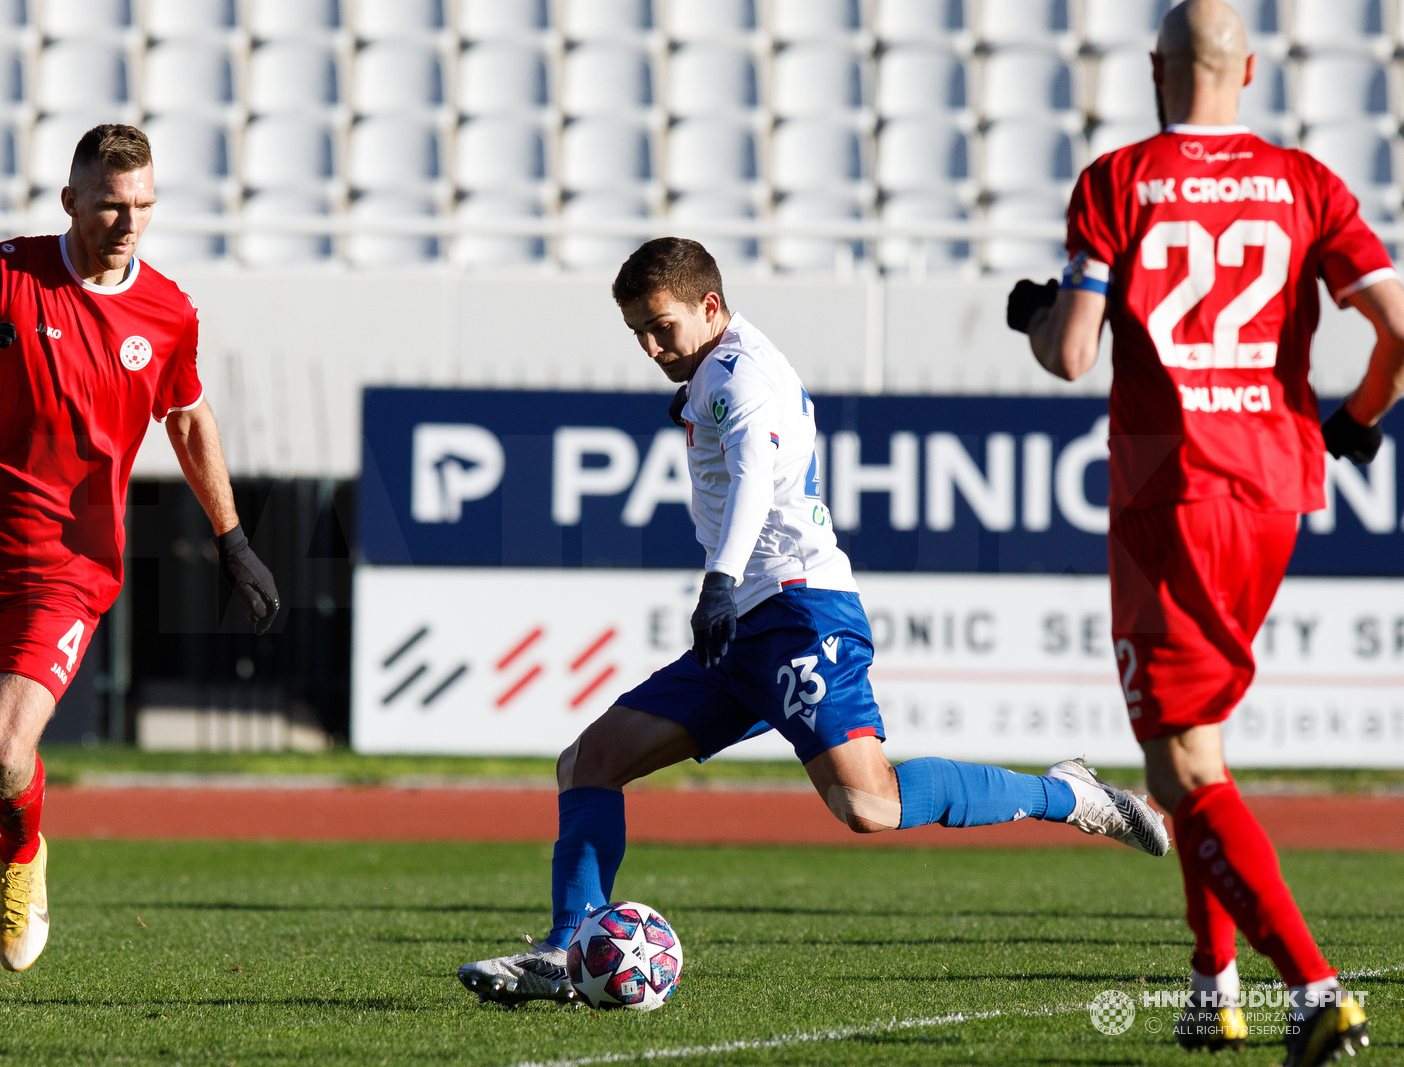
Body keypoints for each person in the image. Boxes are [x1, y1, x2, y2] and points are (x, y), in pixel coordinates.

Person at [455, 236, 1170, 1008]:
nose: (652, 346)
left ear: (711, 307)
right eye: (638, 333)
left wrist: (720, 581)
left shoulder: (740, 375)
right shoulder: (717, 367)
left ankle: (1066, 794)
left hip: (797, 612)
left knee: (869, 804)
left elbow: (757, 476)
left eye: (662, 326)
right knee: (588, 761)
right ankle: (569, 948)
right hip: (748, 627)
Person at [1008, 2, 1398, 1063]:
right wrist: (1357, 418)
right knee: (1197, 746)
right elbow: (1398, 326)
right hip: (1276, 490)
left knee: (1180, 766)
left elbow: (1073, 354)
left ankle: (1313, 986)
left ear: (1154, 68)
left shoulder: (1116, 180)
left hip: (1168, 492)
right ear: (1250, 68)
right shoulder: (1306, 183)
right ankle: (1210, 982)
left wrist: (1036, 314)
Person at [0, 124, 280, 990]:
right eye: (109, 203)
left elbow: (187, 417)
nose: (127, 222)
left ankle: (23, 857)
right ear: (71, 201)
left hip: (67, 564)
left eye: (142, 205)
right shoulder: (9, 271)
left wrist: (234, 539)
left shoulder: (169, 310)